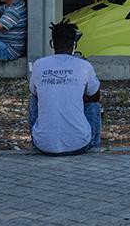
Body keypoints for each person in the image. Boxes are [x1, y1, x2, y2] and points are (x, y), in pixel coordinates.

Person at [28, 20, 101, 156]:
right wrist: (75, 97)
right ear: (74, 44)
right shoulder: (84, 66)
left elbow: (34, 92)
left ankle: (36, 141)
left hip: (44, 146)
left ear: (52, 44)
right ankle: (94, 145)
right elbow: (96, 96)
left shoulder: (39, 65)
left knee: (33, 100)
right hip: (80, 144)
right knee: (93, 105)